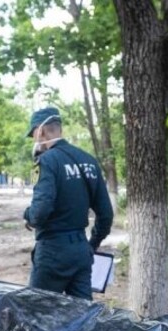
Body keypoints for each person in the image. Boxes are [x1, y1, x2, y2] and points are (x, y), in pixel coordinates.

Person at [22, 107, 113, 299]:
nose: (34, 140)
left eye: (33, 135)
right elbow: (106, 214)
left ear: (41, 131)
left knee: (37, 313)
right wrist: (91, 245)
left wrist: (28, 216)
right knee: (82, 319)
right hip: (81, 251)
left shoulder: (47, 161)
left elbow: (40, 212)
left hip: (52, 253)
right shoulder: (88, 161)